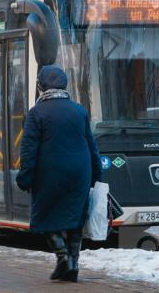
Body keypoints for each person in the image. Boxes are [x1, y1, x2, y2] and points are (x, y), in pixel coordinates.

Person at [16, 65, 101, 283]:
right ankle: (72, 265)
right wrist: (97, 175)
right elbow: (92, 146)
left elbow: (28, 150)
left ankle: (64, 257)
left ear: (41, 87)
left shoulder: (37, 113)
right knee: (75, 218)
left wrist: (25, 176)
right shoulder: (79, 110)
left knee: (44, 218)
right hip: (80, 172)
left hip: (50, 174)